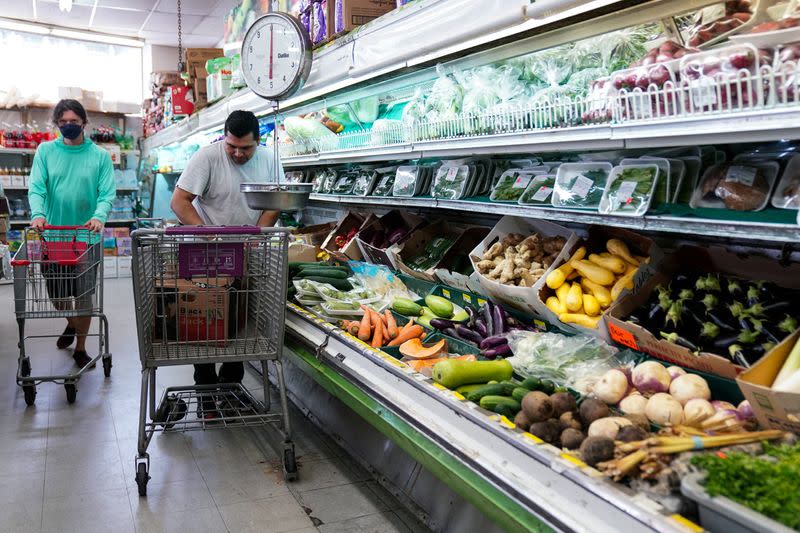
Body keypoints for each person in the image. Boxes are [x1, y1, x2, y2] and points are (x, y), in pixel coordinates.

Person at [170, 110, 282, 419]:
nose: (237, 153)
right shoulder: (207, 157)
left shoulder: (270, 160)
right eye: (232, 145)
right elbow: (179, 202)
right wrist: (209, 236)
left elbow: (275, 204)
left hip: (248, 253)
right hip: (207, 255)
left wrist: (255, 237)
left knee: (240, 323)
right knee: (205, 324)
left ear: (257, 141)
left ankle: (229, 388)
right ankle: (206, 393)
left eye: (245, 148)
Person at [28, 99, 116, 369]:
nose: (68, 126)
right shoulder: (45, 151)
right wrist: (38, 214)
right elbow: (37, 188)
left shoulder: (99, 156)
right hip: (53, 236)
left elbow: (107, 193)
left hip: (85, 238)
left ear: (84, 123)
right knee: (56, 296)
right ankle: (73, 323)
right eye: (63, 122)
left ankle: (80, 347)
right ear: (57, 124)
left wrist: (99, 217)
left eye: (74, 122)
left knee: (84, 295)